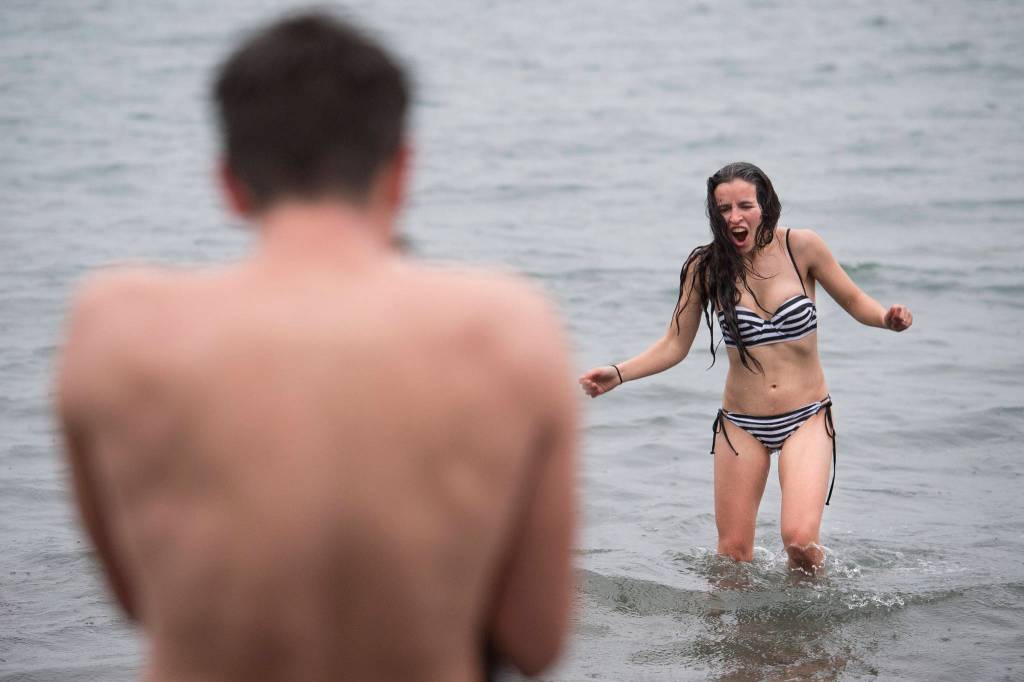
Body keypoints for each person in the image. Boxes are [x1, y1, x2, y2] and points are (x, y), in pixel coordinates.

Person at [55, 12, 576, 682]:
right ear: (401, 171)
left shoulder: (111, 328)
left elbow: (142, 602)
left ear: (228, 181)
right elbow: (535, 641)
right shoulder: (511, 327)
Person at [579, 162, 912, 573]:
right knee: (732, 558)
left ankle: (808, 631)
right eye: (723, 209)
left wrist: (886, 318)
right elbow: (674, 344)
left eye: (744, 206)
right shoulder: (705, 267)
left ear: (765, 206)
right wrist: (619, 372)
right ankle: (734, 636)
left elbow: (856, 302)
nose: (734, 217)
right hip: (741, 425)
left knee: (801, 544)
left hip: (806, 416)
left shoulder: (802, 248)